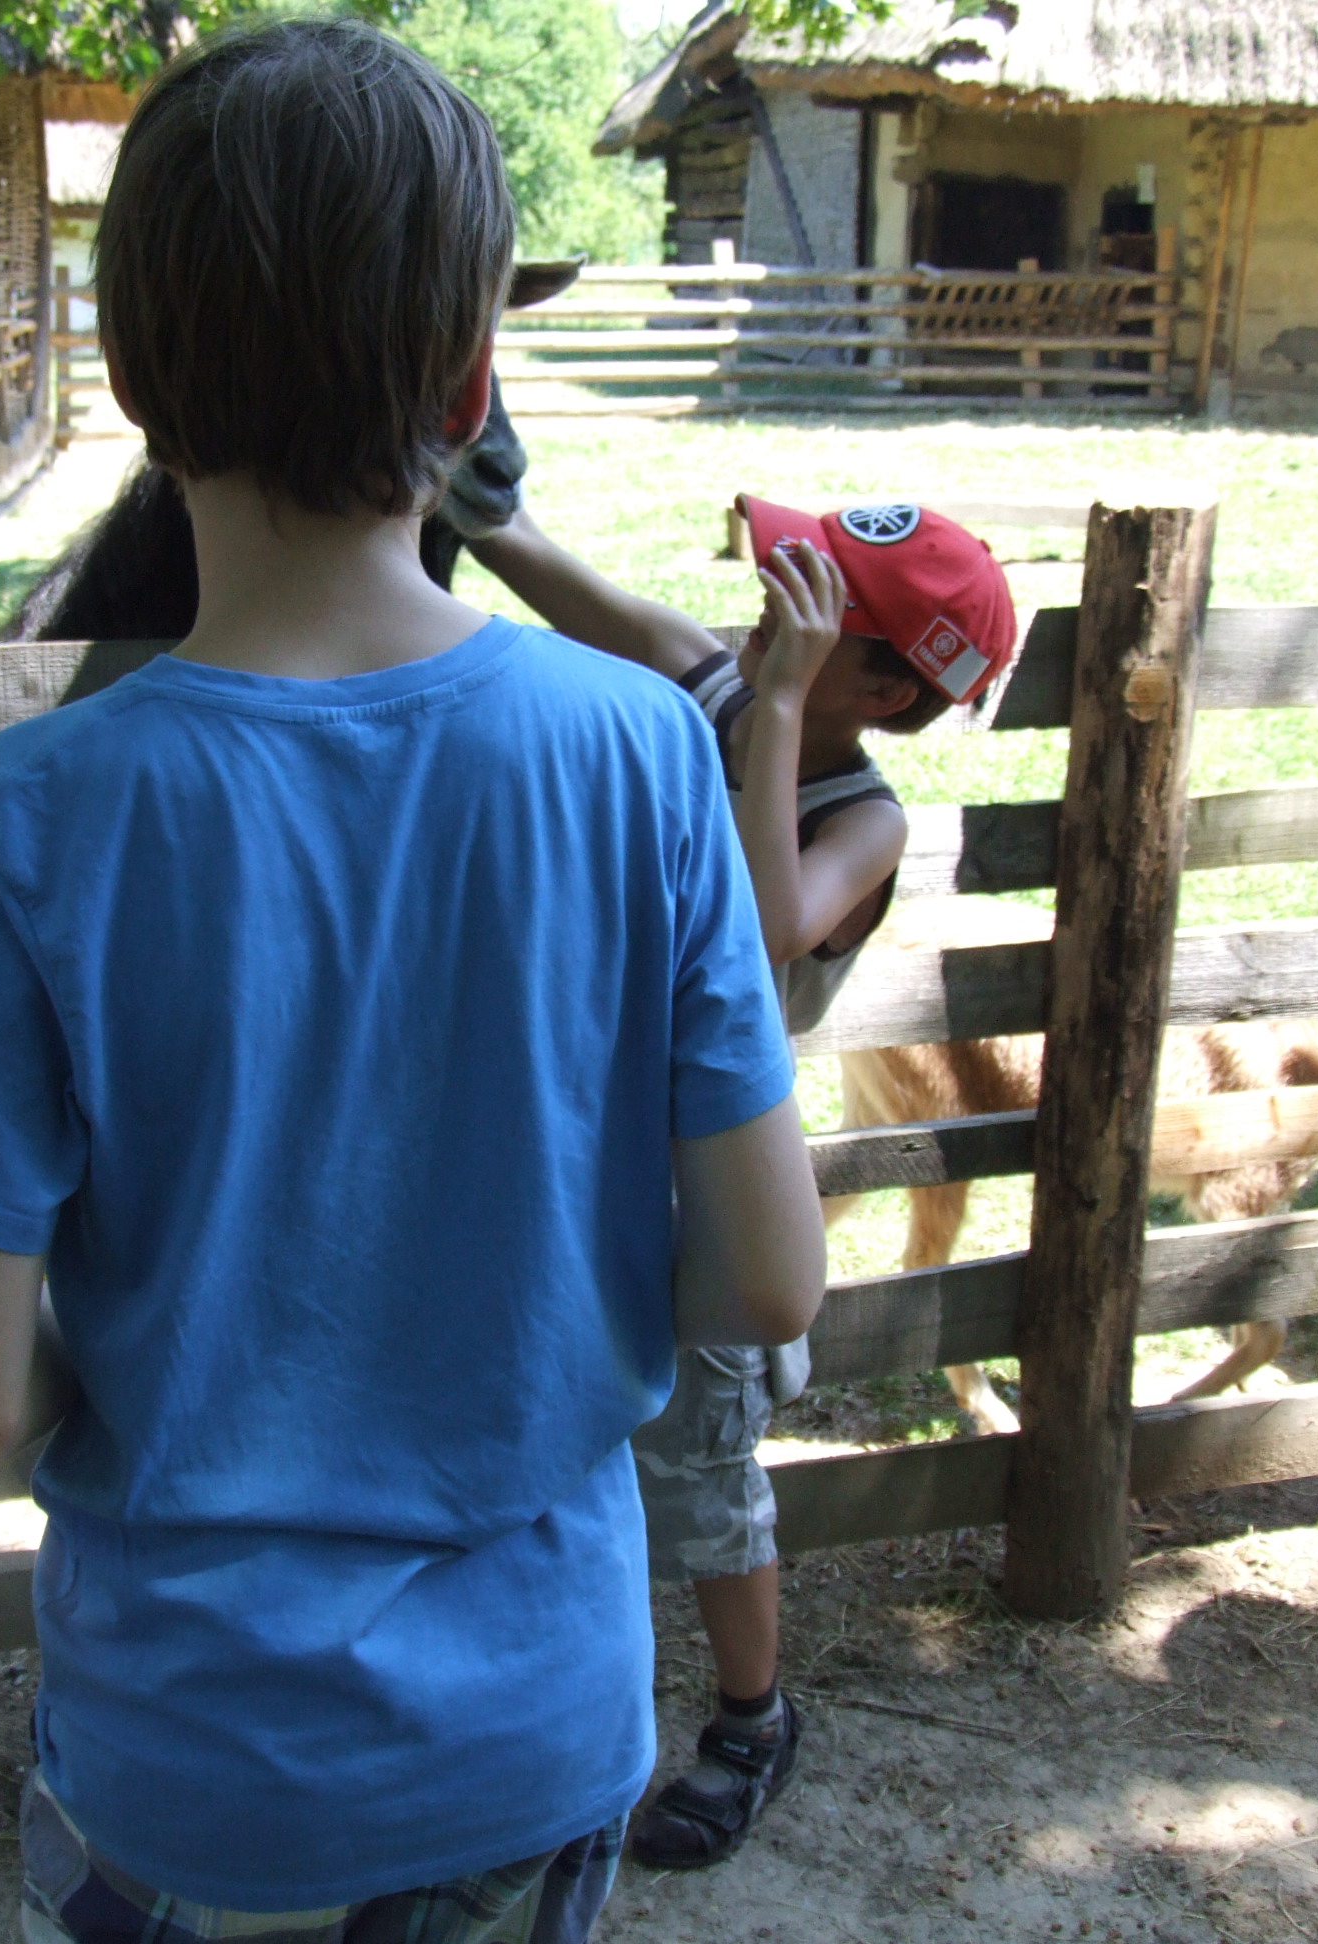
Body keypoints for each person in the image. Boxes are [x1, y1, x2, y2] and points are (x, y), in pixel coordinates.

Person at [0, 19, 828, 1941]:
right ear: (471, 384)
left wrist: (190, 1379)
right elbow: (769, 1280)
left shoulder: (32, 820)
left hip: (189, 1763)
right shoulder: (639, 754)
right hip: (538, 1737)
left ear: (131, 383)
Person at [469, 492, 1017, 1869]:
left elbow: (762, 927)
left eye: (820, 604)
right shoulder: (723, 685)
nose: (776, 606)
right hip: (581, 1140)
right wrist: (475, 494)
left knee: (704, 1461)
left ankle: (752, 1720)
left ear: (884, 687)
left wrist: (772, 707)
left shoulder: (864, 818)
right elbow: (566, 580)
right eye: (790, 579)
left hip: (712, 1188)